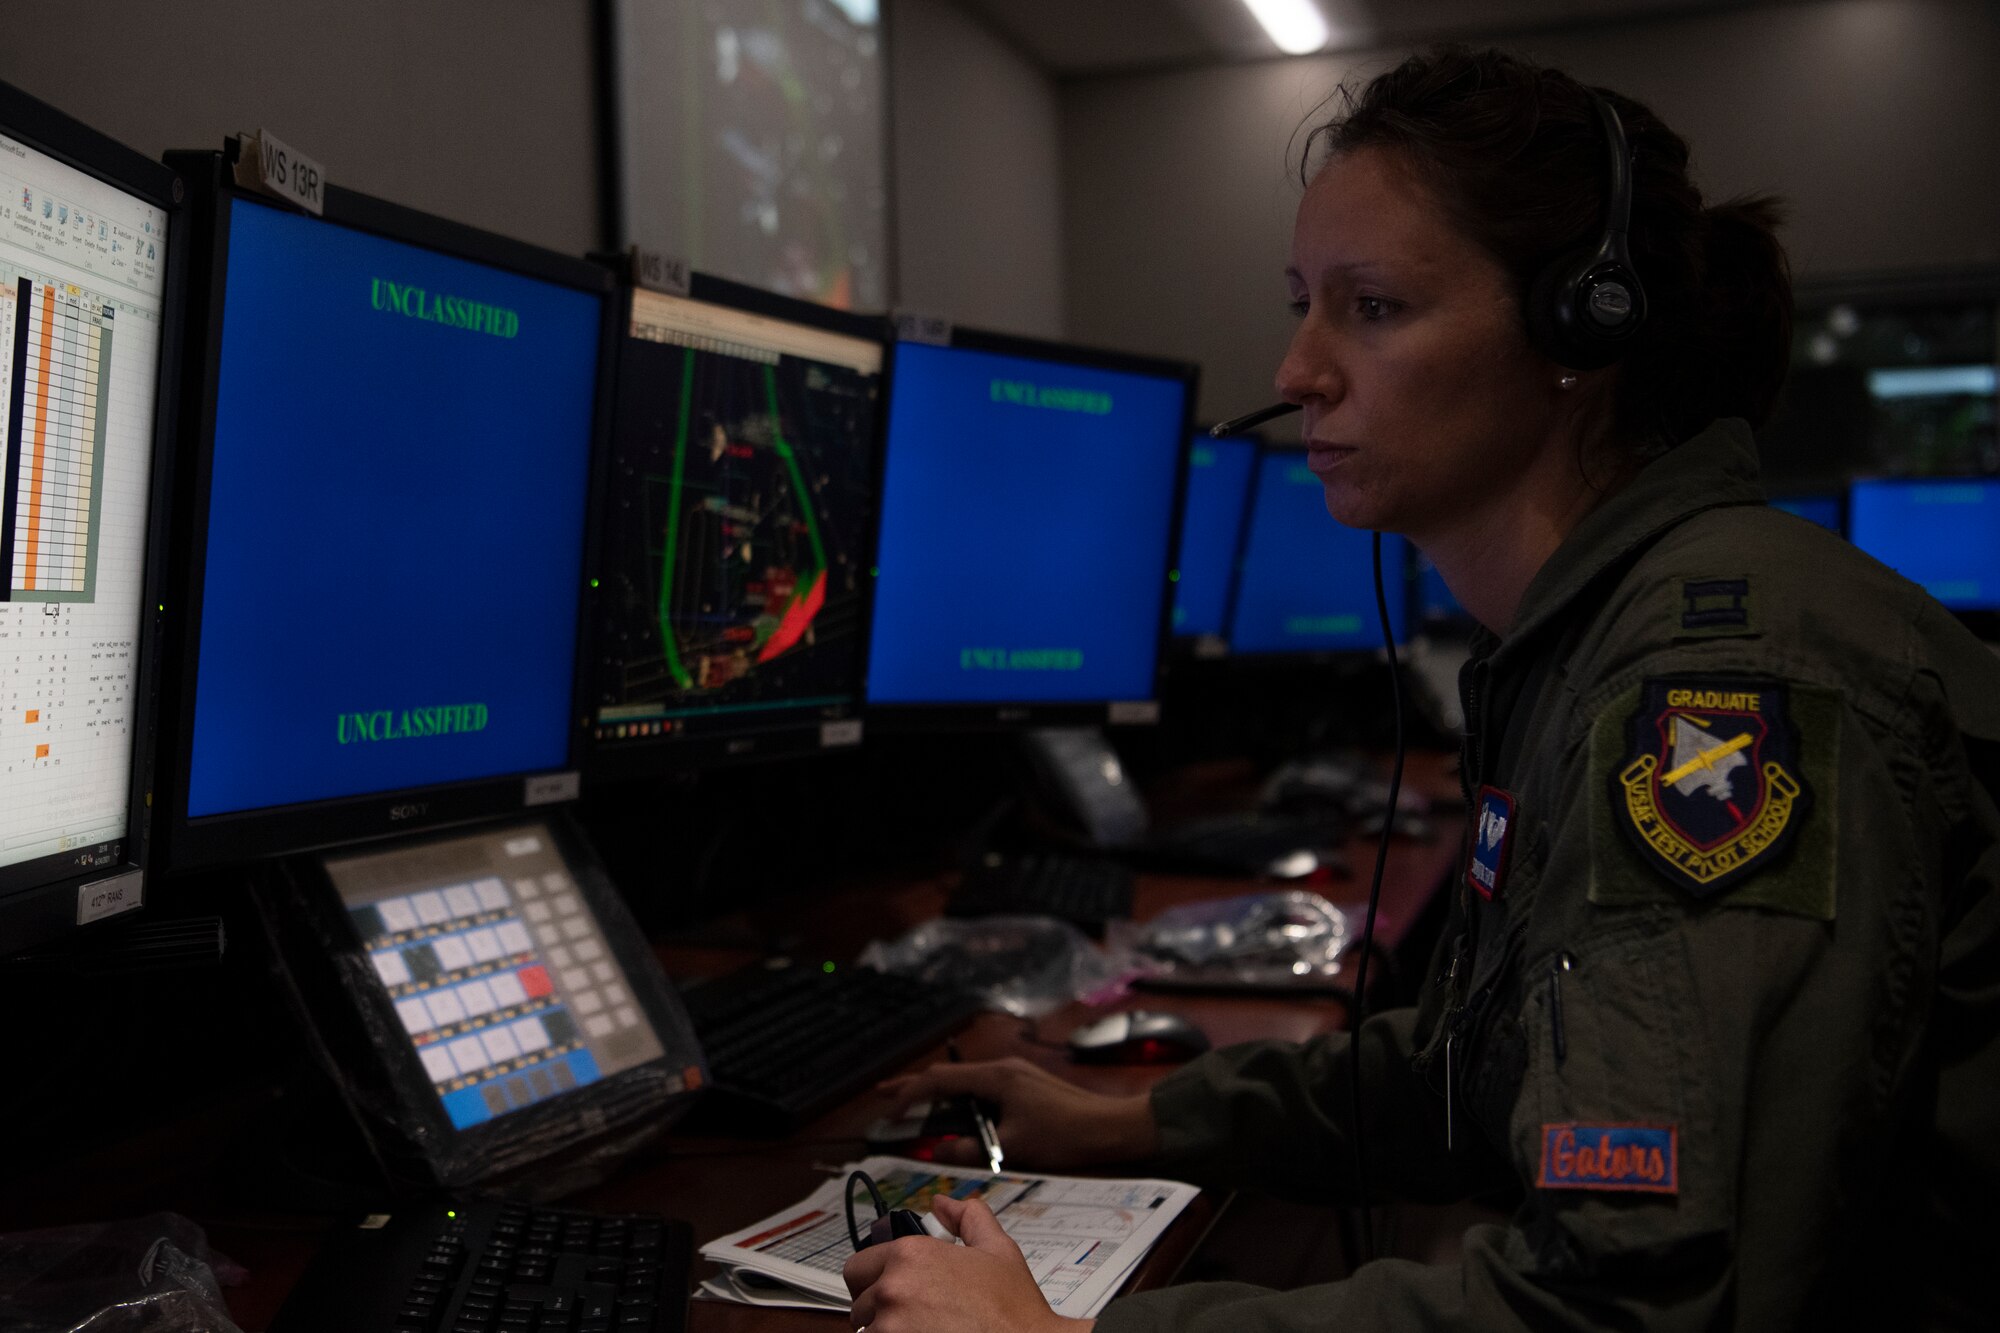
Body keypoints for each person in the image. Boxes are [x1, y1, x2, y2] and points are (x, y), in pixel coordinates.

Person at [842, 45, 2000, 1332]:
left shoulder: (1712, 686)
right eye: (1301, 302)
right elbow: (1473, 1071)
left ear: (1578, 332)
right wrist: (1126, 1120)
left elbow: (1626, 1307)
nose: (1295, 371)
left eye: (1373, 306)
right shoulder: (1592, 643)